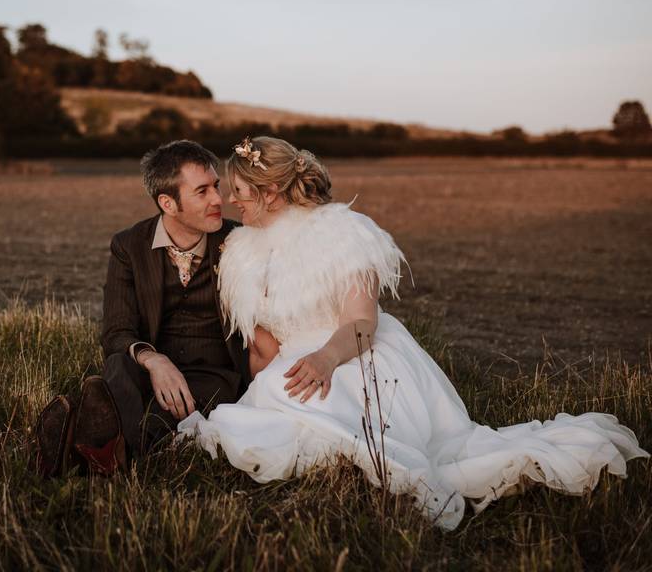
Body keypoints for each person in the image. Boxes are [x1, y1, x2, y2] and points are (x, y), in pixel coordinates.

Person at [178, 136, 649, 530]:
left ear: (273, 190)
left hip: (352, 350)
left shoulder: (340, 233)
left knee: (341, 430)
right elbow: (265, 343)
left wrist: (324, 359)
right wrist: (256, 386)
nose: (229, 199)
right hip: (294, 361)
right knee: (257, 420)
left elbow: (362, 322)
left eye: (239, 189)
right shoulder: (241, 251)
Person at [34, 140, 249, 477]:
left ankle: (85, 445)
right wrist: (153, 359)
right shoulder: (128, 245)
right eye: (202, 191)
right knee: (120, 364)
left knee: (159, 407)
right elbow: (117, 331)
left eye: (216, 187)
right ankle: (107, 448)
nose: (219, 200)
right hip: (151, 370)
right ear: (168, 202)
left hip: (215, 375)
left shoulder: (238, 240)